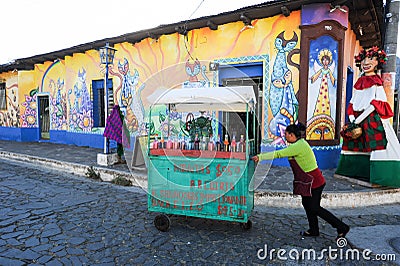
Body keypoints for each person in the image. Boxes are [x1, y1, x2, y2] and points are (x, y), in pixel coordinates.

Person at [252, 123, 350, 238]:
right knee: (307, 204)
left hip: (315, 182)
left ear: (292, 135)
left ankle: (341, 227)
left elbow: (279, 153)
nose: (285, 137)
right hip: (307, 181)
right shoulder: (299, 144)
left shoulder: (298, 146)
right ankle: (314, 230)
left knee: (314, 208)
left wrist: (260, 157)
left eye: (286, 134)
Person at [335, 47, 400, 187]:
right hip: (357, 118)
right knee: (353, 144)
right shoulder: (359, 82)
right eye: (364, 59)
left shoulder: (377, 82)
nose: (366, 62)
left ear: (377, 62)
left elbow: (376, 103)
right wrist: (352, 119)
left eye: (370, 59)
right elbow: (352, 102)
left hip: (372, 119)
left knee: (378, 145)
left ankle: (380, 177)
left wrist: (357, 120)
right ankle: (351, 171)